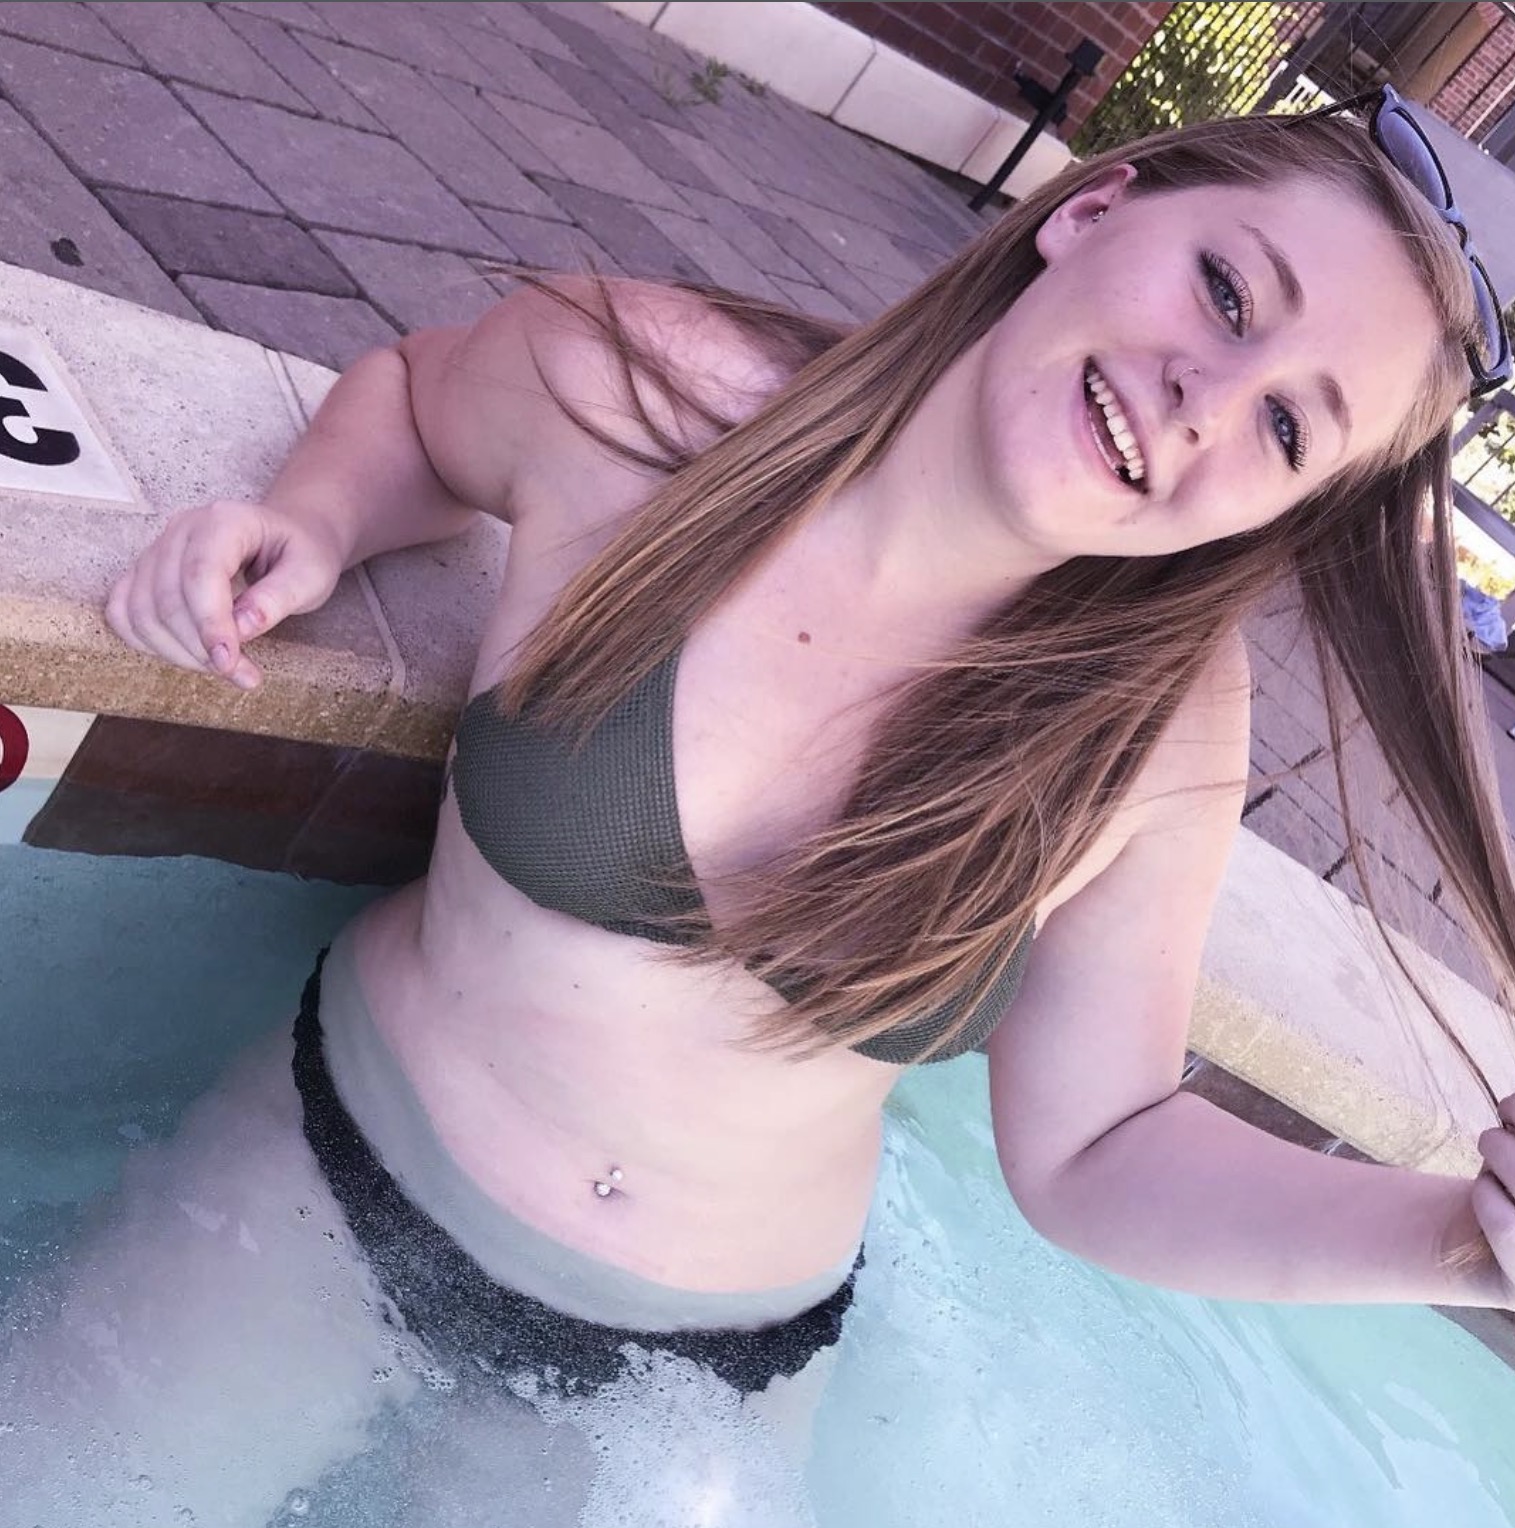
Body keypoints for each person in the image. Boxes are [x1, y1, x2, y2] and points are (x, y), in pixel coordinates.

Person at [7, 88, 1515, 1524]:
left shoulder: (1158, 733)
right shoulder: (647, 402)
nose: (1209, 399)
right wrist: (313, 517)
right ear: (1093, 208)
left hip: (697, 1381)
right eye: (1230, 294)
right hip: (338, 1172)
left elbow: (1098, 1147)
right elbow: (415, 398)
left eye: (1291, 431)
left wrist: (1465, 1243)